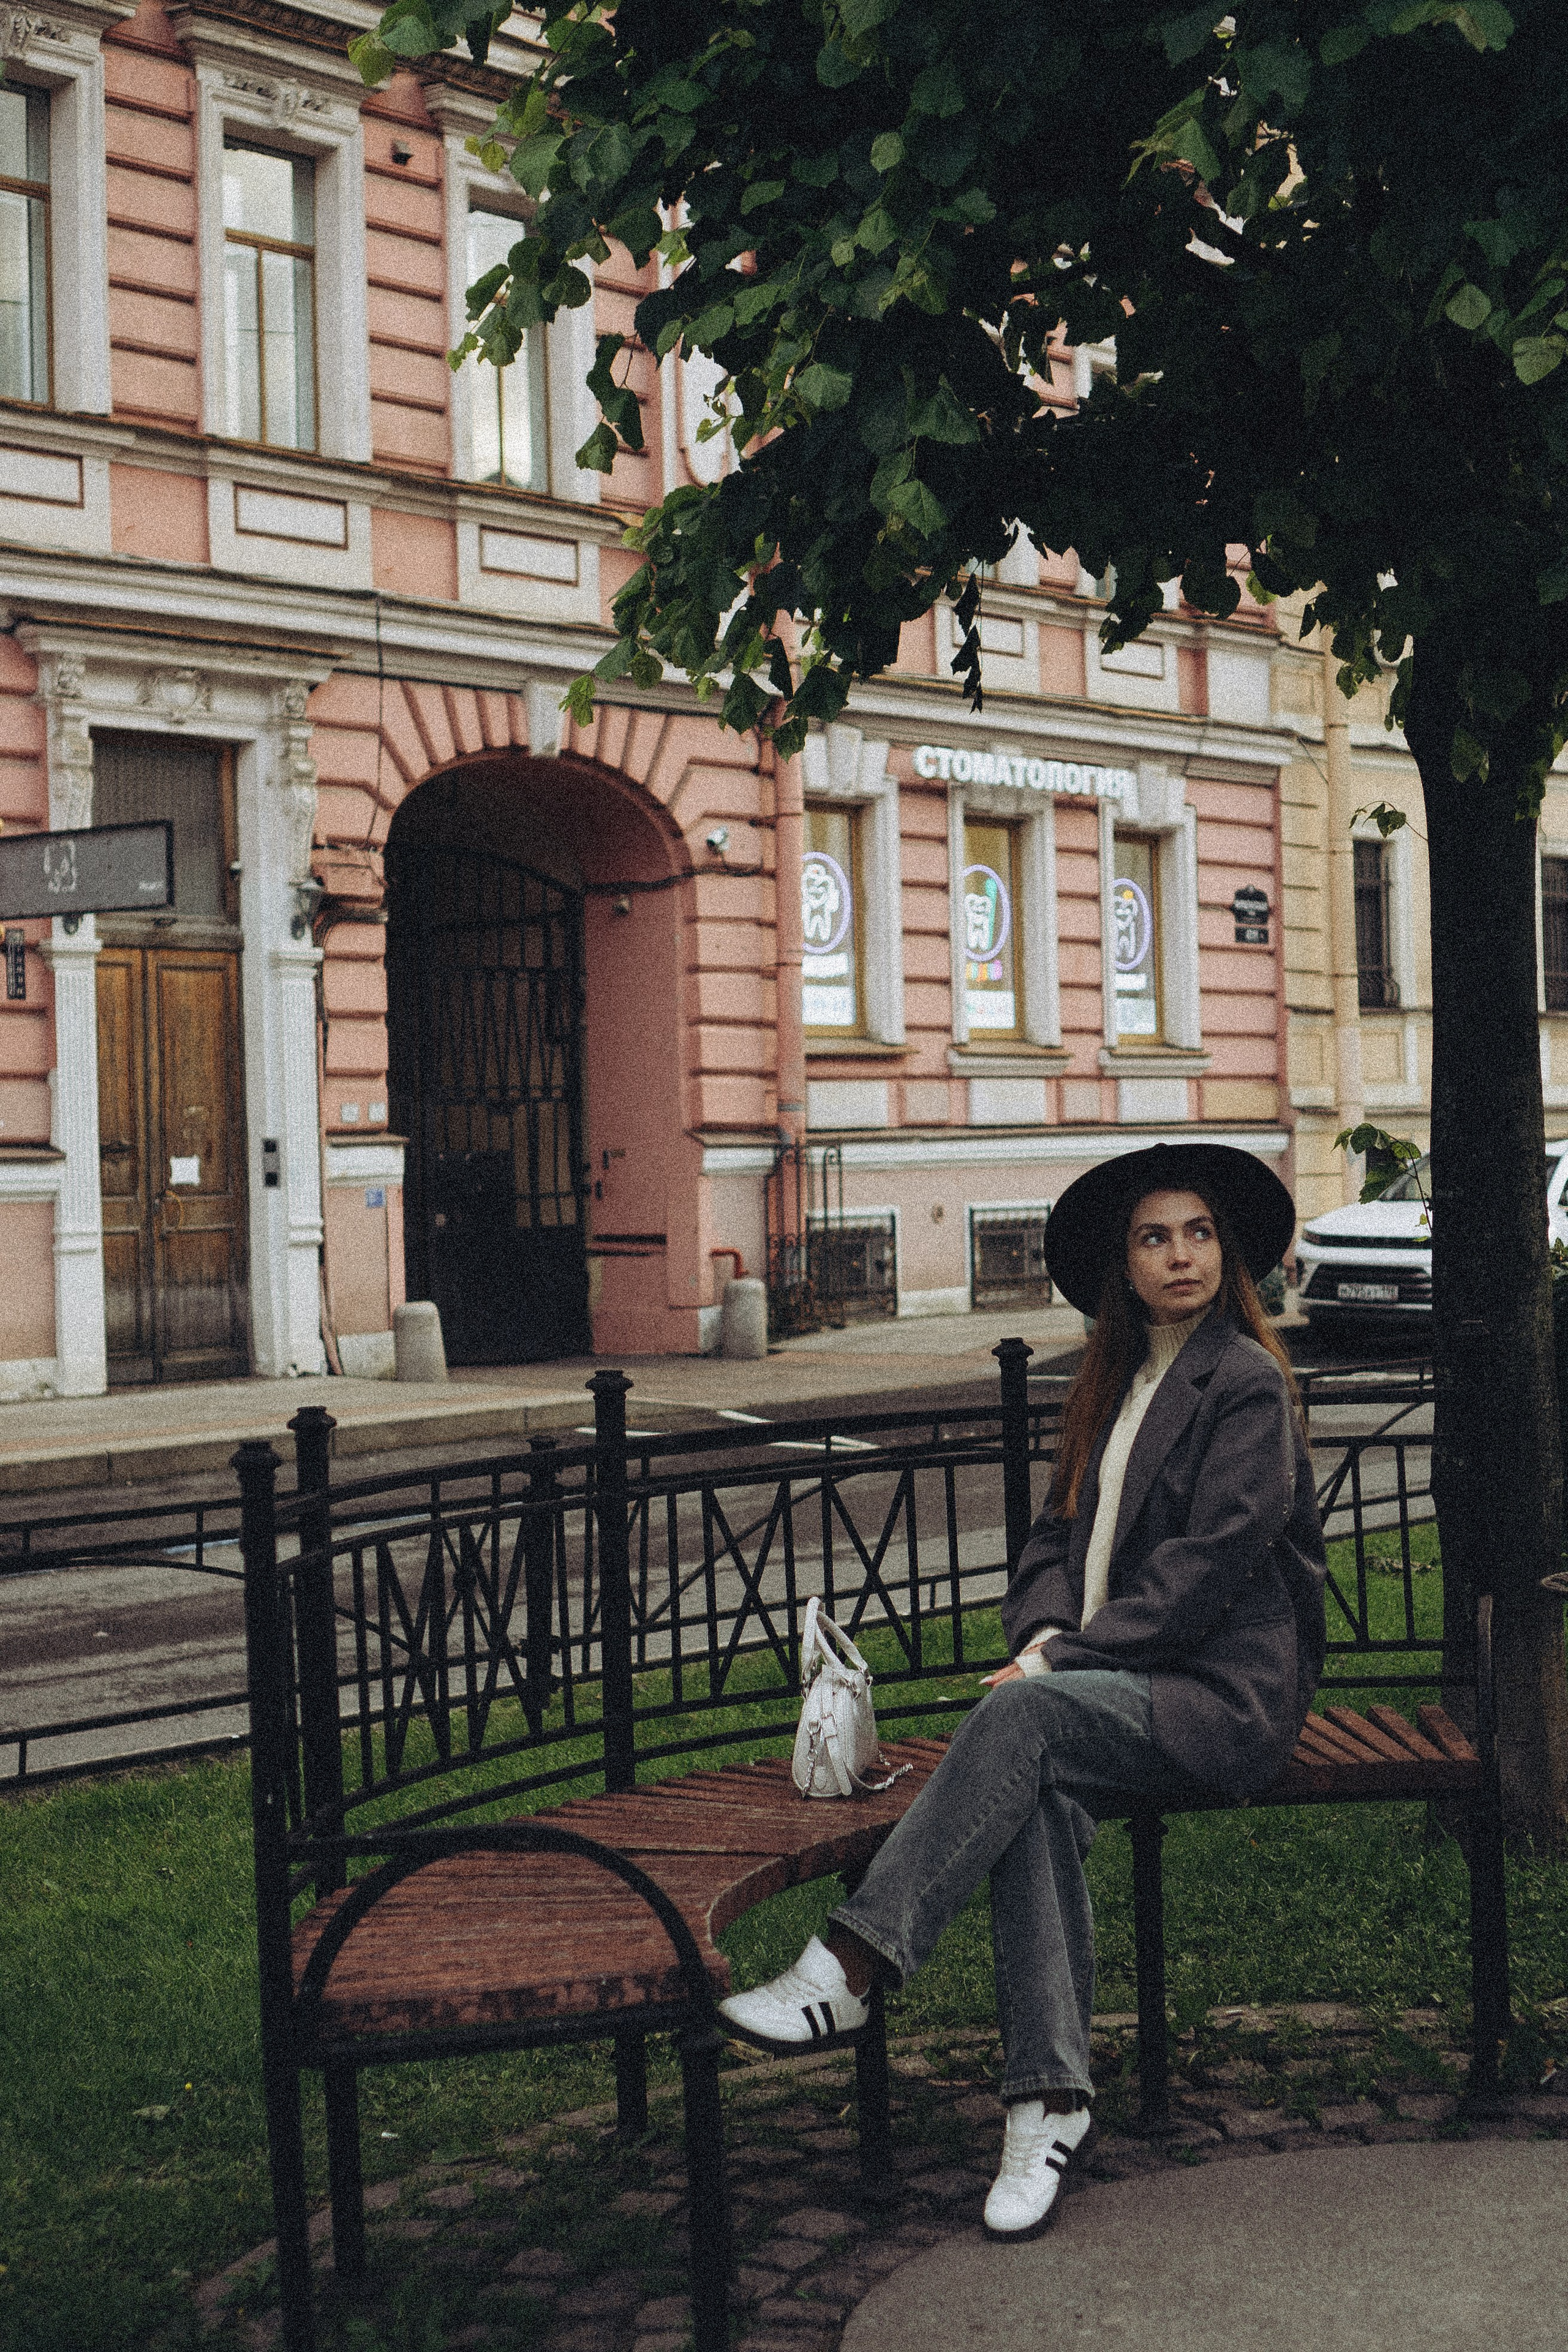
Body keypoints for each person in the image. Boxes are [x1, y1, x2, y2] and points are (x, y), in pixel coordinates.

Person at [719, 1142, 1327, 2241]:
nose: (1181, 1256)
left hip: (1217, 1696)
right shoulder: (1111, 1380)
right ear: (1124, 1265)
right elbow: (1054, 1538)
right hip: (1115, 1686)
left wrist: (1059, 1662)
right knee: (1033, 1793)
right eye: (1155, 1237)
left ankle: (851, 1964)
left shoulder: (1242, 1381)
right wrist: (1046, 1626)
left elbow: (1216, 1563)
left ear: (1226, 1252)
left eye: (1198, 1234)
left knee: (1024, 1716)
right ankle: (1045, 2105)